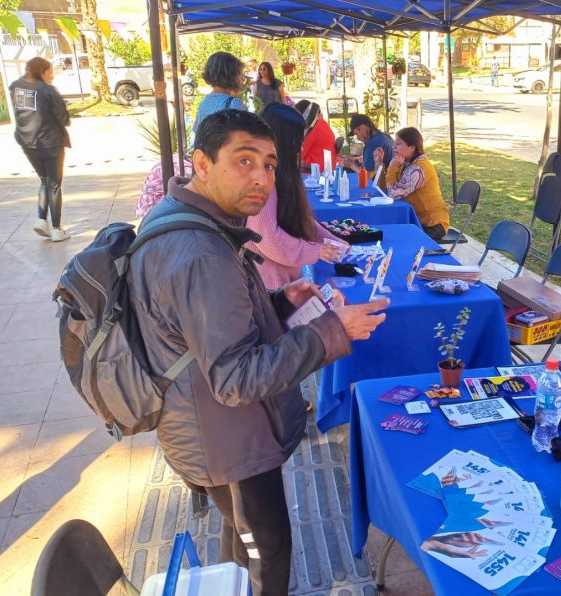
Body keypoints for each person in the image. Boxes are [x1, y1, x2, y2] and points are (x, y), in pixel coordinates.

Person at [129, 109, 388, 596]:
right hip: (224, 439)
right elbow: (236, 378)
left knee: (241, 537)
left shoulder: (188, 217)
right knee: (266, 547)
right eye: (243, 160)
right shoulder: (200, 251)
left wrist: (279, 302)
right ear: (202, 163)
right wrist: (332, 331)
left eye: (269, 164)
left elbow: (211, 327)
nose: (261, 178)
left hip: (210, 426)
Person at [247, 102, 344, 290]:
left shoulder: (280, 175)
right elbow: (271, 240)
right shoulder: (259, 182)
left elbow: (298, 218)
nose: (300, 147)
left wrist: (329, 240)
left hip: (285, 284)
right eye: (297, 140)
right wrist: (317, 250)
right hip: (269, 290)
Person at [10, 56, 71, 242]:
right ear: (41, 71)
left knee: (45, 180)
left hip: (27, 142)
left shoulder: (16, 86)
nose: (52, 75)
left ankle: (41, 220)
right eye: (50, 71)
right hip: (50, 143)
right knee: (54, 184)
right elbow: (63, 117)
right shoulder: (47, 90)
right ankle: (57, 228)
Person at [375, 127, 449, 241]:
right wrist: (380, 165)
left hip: (432, 224)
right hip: (416, 220)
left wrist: (393, 167)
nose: (393, 147)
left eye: (398, 144)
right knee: (386, 233)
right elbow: (384, 190)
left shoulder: (419, 169)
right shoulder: (407, 164)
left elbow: (392, 194)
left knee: (396, 239)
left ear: (412, 147)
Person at [192, 52, 247, 135]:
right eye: (240, 75)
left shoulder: (205, 102)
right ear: (232, 76)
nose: (242, 79)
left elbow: (197, 132)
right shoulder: (233, 103)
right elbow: (244, 135)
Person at [293, 100, 337, 172]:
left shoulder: (313, 129)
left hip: (318, 168)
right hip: (326, 164)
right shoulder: (321, 123)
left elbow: (299, 154)